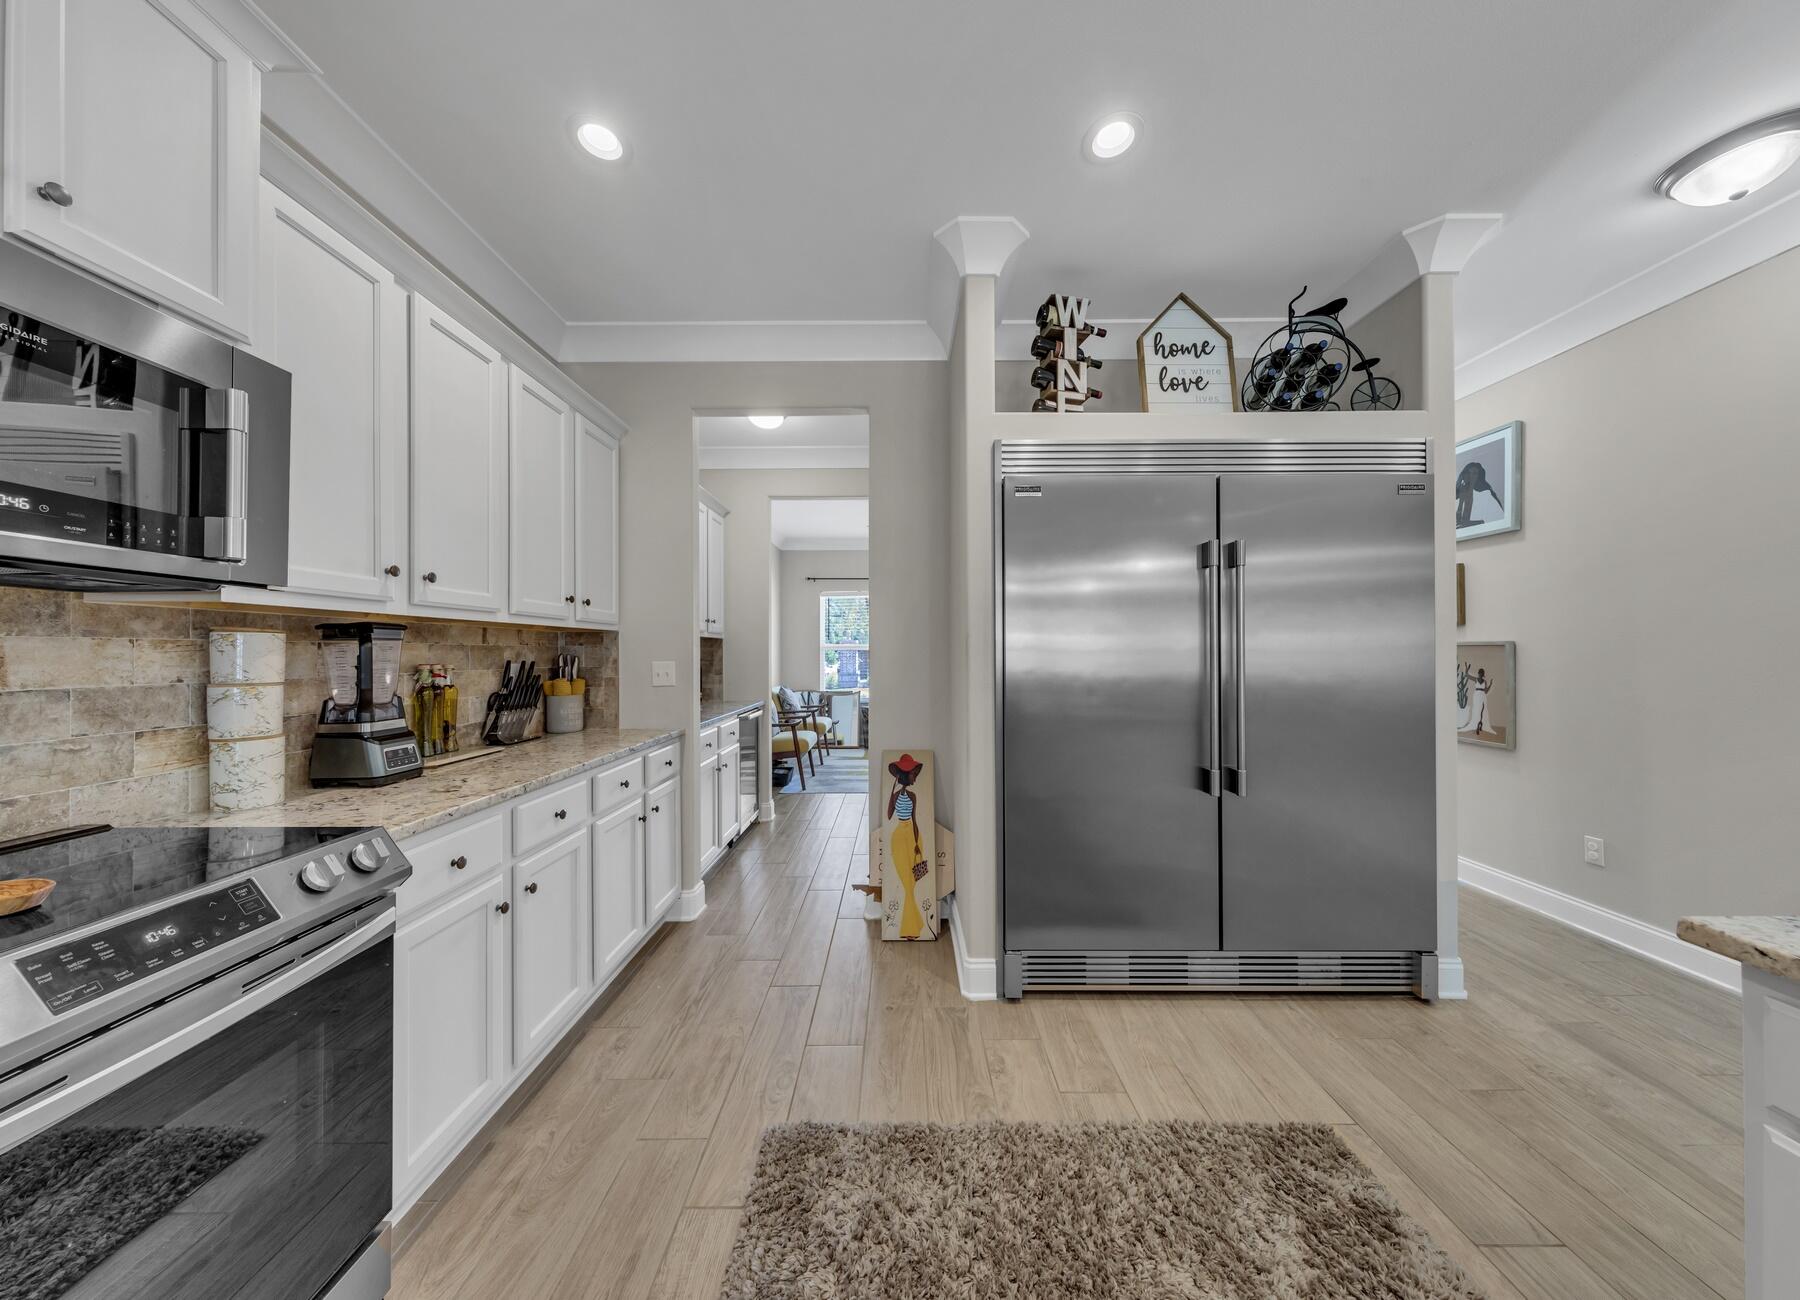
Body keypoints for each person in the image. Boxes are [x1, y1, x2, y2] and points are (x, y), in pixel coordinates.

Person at [885, 753, 929, 939]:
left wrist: (918, 844)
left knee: (910, 882)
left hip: (912, 835)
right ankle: (914, 924)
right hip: (898, 837)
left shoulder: (913, 795)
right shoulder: (896, 796)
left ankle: (910, 928)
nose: (914, 777)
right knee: (906, 882)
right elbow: (888, 816)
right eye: (912, 774)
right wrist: (892, 790)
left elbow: (915, 820)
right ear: (904, 775)